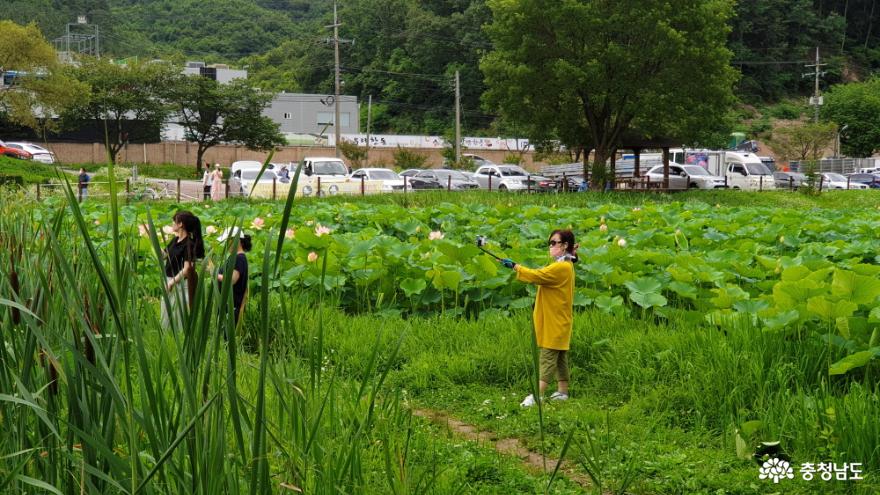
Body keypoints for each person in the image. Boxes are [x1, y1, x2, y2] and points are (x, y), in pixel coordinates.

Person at [500, 229, 578, 407]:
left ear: (564, 245)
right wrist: (573, 254)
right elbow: (562, 263)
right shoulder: (567, 264)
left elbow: (537, 276)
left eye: (553, 243)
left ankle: (536, 395)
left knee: (547, 358)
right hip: (560, 320)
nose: (550, 247)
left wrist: (515, 267)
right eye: (549, 243)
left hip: (554, 321)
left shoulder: (560, 267)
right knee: (559, 358)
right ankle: (562, 392)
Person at [162, 210, 205, 328]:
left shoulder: (189, 244)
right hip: (169, 280)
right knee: (166, 317)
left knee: (178, 319)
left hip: (180, 284)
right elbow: (164, 255)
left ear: (180, 224)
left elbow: (187, 269)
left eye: (173, 221)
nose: (172, 224)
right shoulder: (175, 240)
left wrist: (172, 282)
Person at [216, 227, 251, 327]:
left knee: (228, 338)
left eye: (228, 240)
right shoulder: (234, 257)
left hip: (232, 308)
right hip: (227, 305)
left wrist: (214, 273)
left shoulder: (239, 259)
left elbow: (231, 280)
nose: (226, 244)